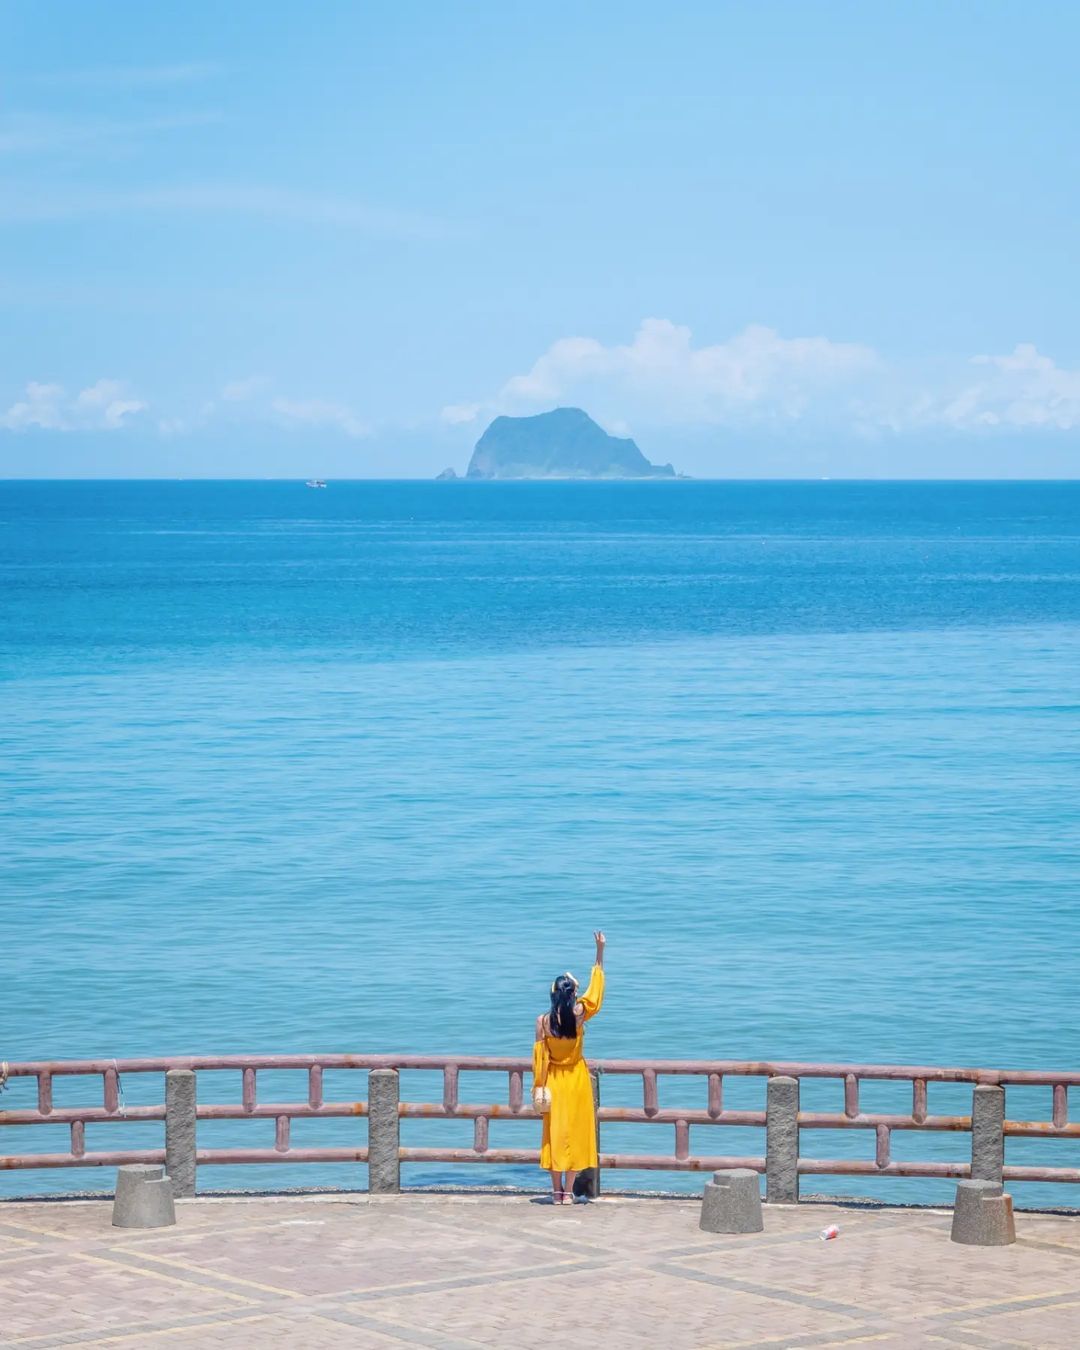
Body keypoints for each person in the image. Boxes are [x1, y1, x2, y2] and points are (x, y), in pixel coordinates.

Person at [532, 930, 606, 1204]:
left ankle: (555, 1191)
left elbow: (540, 1059)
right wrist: (599, 953)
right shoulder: (578, 1016)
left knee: (554, 1133)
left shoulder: (542, 1022)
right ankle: (569, 1192)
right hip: (576, 1080)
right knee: (575, 1132)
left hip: (553, 1080)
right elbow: (595, 996)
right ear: (573, 994)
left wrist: (539, 1086)